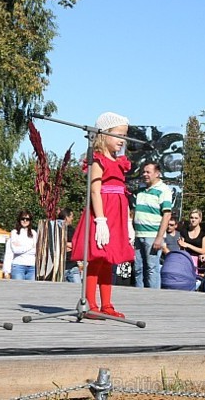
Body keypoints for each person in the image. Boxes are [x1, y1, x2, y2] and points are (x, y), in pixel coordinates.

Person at [70, 112, 135, 318]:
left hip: (117, 215)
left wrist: (128, 222)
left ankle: (107, 304)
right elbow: (95, 191)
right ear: (104, 134)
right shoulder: (98, 160)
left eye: (124, 136)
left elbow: (123, 194)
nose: (122, 140)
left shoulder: (120, 162)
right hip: (103, 214)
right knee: (97, 258)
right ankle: (90, 303)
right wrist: (100, 220)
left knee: (109, 260)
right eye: (118, 135)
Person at [133, 162, 173, 289]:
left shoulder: (164, 190)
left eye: (148, 172)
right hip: (139, 234)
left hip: (152, 235)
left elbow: (166, 215)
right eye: (144, 172)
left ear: (157, 173)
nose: (145, 174)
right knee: (138, 267)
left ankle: (154, 297)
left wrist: (159, 238)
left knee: (152, 268)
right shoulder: (140, 190)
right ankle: (139, 295)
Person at [3, 210, 37, 280]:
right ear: (19, 220)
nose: (25, 221)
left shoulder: (34, 233)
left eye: (27, 219)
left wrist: (21, 247)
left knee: (31, 289)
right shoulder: (14, 232)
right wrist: (31, 246)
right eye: (22, 219)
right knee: (18, 289)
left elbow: (36, 250)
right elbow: (14, 250)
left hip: (32, 267)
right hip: (18, 266)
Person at [57, 208, 80, 283]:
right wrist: (66, 244)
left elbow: (77, 244)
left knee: (78, 288)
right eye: (71, 216)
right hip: (60, 267)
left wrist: (67, 244)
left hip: (72, 266)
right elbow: (54, 243)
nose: (72, 219)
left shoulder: (72, 230)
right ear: (67, 217)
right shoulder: (56, 229)